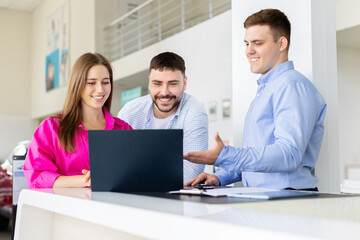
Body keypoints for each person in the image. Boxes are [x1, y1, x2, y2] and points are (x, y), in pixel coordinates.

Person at [184, 9, 327, 191]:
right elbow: (258, 160)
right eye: (246, 44)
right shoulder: (268, 89)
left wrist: (226, 155)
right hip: (267, 198)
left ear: (281, 43)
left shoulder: (291, 86)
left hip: (288, 199)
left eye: (257, 43)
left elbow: (289, 154)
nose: (249, 51)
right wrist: (220, 177)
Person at [24, 53, 132, 189]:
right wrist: (86, 181)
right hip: (65, 209)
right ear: (78, 85)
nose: (100, 89)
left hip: (114, 208)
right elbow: (36, 178)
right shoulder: (51, 128)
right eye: (91, 83)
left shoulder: (123, 129)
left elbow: (134, 175)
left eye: (105, 82)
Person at [118, 52, 208, 183]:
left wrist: (136, 177)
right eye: (157, 84)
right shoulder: (130, 111)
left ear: (185, 83)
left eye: (172, 84)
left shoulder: (195, 114)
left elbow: (190, 175)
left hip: (176, 200)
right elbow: (117, 162)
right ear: (149, 83)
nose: (164, 92)